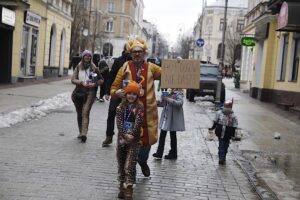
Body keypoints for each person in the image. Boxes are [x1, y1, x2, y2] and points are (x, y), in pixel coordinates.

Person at [111, 37, 161, 177]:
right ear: (130, 53)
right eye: (134, 52)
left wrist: (179, 69)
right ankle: (127, 176)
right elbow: (114, 87)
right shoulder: (125, 67)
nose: (137, 54)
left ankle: (143, 161)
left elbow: (169, 75)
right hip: (129, 112)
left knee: (147, 140)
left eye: (140, 52)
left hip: (148, 111)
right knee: (128, 141)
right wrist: (116, 92)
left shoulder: (152, 68)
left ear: (145, 53)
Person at [116, 81, 144, 200]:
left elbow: (138, 123)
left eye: (134, 94)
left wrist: (131, 134)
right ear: (125, 94)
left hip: (134, 140)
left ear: (137, 95)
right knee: (121, 164)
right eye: (129, 93)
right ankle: (121, 187)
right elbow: (119, 123)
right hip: (121, 140)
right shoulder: (120, 107)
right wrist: (124, 135)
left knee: (129, 165)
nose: (131, 96)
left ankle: (129, 189)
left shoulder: (139, 108)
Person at [102, 44, 132, 147]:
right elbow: (111, 76)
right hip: (117, 92)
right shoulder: (119, 61)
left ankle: (124, 138)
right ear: (124, 50)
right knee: (111, 113)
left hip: (129, 94)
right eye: (128, 49)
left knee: (126, 117)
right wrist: (107, 91)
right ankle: (109, 136)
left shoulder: (135, 62)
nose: (129, 51)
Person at [71, 50, 104, 143]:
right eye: (86, 56)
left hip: (90, 93)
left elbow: (101, 80)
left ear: (91, 58)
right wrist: (81, 83)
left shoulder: (94, 68)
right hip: (79, 92)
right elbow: (73, 79)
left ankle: (84, 134)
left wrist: (95, 84)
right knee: (79, 113)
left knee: (85, 112)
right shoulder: (78, 67)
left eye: (89, 56)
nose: (87, 57)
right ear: (83, 57)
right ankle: (80, 131)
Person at [152, 89, 185, 160]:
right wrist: (160, 102)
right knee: (164, 134)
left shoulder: (179, 93)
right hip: (166, 118)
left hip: (172, 118)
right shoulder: (169, 93)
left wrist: (168, 99)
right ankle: (162, 153)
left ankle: (171, 153)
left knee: (171, 135)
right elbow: (164, 104)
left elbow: (180, 103)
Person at [208, 99, 238, 165]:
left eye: (228, 107)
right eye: (226, 107)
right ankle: (221, 158)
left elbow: (234, 125)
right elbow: (215, 121)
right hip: (220, 131)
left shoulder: (233, 115)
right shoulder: (219, 113)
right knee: (221, 145)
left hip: (228, 133)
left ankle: (223, 156)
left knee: (226, 146)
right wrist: (212, 128)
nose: (227, 109)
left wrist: (233, 133)